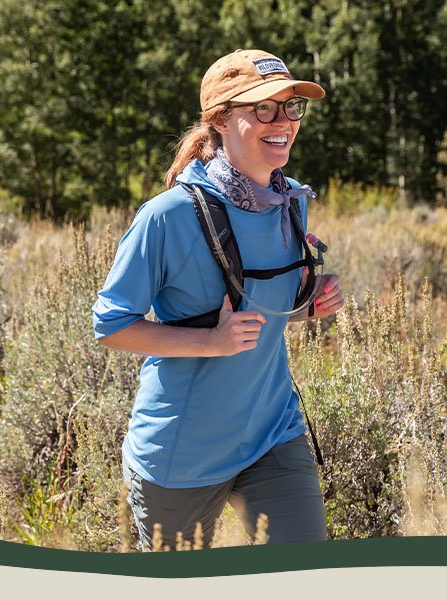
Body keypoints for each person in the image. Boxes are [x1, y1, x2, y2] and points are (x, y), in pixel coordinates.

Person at [92, 49, 343, 550]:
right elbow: (112, 326)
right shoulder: (168, 216)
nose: (283, 122)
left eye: (290, 107)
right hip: (182, 455)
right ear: (221, 121)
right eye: (263, 109)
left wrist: (305, 303)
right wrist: (212, 341)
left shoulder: (290, 200)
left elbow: (256, 307)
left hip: (272, 432)